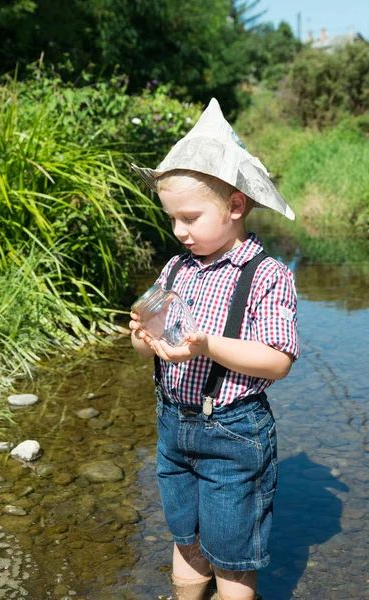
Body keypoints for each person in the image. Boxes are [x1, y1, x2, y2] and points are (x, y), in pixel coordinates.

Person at [129, 99, 299, 600]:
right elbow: (151, 350)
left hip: (234, 433)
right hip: (172, 425)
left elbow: (278, 361)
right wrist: (144, 338)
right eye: (172, 218)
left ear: (235, 206)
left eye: (190, 217)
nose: (179, 231)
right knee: (185, 539)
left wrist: (207, 345)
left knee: (233, 554)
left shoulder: (267, 275)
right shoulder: (175, 269)